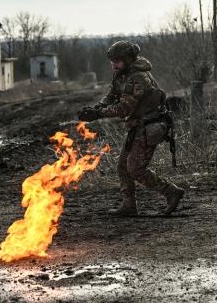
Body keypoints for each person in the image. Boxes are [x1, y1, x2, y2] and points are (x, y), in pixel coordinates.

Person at [78, 40, 184, 216]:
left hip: (149, 126)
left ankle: (171, 192)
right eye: (112, 61)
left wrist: (99, 114)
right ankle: (129, 205)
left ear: (128, 59)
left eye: (117, 61)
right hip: (136, 126)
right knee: (122, 167)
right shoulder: (122, 74)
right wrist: (96, 108)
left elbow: (124, 108)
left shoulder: (139, 78)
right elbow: (112, 95)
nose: (113, 64)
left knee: (135, 169)